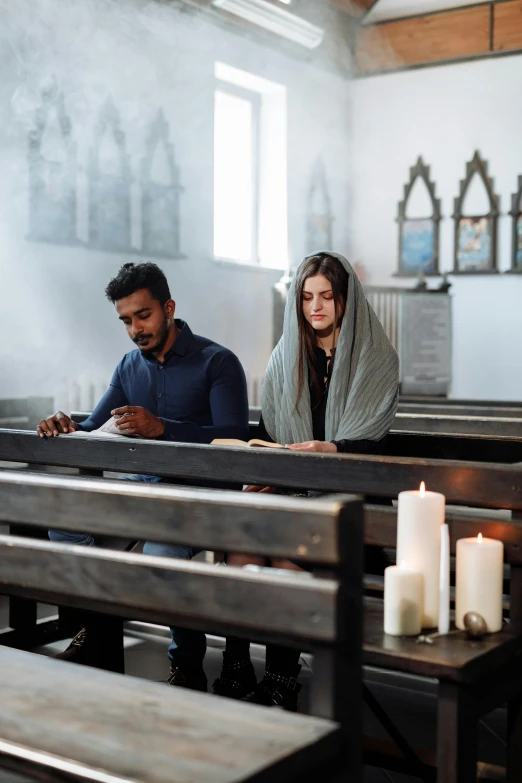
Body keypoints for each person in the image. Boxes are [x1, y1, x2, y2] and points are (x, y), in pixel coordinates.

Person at [38, 261, 249, 691]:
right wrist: (62, 424)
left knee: (160, 552)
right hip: (143, 486)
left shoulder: (218, 362)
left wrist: (164, 428)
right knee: (63, 522)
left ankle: (187, 663)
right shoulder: (128, 366)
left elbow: (233, 440)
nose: (135, 328)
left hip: (201, 492)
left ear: (168, 307)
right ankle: (98, 632)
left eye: (144, 315)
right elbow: (95, 430)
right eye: (126, 320)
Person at [212, 251, 399, 710]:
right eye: (306, 297)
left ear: (346, 300)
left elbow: (374, 452)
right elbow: (274, 437)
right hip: (293, 497)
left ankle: (280, 677)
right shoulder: (287, 357)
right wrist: (264, 473)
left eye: (327, 297)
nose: (316, 307)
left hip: (355, 507)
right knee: (241, 544)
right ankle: (235, 664)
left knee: (285, 554)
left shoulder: (375, 359)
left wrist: (332, 450)